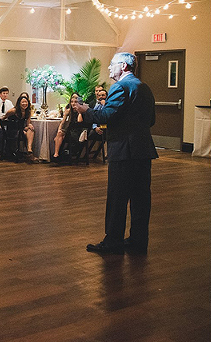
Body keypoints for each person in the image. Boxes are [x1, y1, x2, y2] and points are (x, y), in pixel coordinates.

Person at [74, 52, 157, 255]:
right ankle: (138, 239)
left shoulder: (121, 87)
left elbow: (106, 115)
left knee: (117, 197)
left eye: (112, 64)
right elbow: (151, 120)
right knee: (140, 198)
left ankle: (113, 241)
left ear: (124, 66)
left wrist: (86, 111)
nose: (109, 68)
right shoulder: (144, 87)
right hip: (143, 149)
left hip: (124, 150)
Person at [2, 95, 37, 162]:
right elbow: (3, 118)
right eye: (23, 102)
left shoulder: (28, 112)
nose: (24, 104)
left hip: (21, 129)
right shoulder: (13, 111)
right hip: (12, 130)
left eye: (26, 102)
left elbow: (27, 124)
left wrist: (29, 125)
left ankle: (29, 150)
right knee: (23, 132)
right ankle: (28, 153)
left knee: (31, 130)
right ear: (19, 103)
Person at [53, 93, 84, 159]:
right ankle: (56, 154)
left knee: (59, 136)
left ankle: (57, 154)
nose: (73, 103)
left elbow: (79, 121)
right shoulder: (69, 110)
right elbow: (63, 122)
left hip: (77, 132)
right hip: (68, 130)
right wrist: (59, 128)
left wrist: (79, 111)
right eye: (72, 102)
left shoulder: (81, 111)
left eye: (75, 102)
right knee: (59, 133)